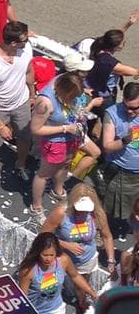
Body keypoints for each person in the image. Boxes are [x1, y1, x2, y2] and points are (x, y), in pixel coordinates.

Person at [30, 72, 102, 222]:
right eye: (71, 97)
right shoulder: (45, 102)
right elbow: (36, 129)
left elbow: (73, 108)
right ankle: (36, 206)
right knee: (44, 173)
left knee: (65, 165)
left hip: (72, 137)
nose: (73, 100)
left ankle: (58, 190)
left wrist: (81, 115)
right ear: (63, 90)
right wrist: (65, 128)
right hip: (55, 141)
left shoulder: (67, 84)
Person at [0, 21, 34, 177]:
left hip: (21, 103)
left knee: (25, 136)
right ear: (14, 43)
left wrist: (32, 93)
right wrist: (0, 125)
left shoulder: (26, 49)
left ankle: (20, 163)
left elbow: (29, 71)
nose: (28, 41)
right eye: (25, 39)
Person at [41, 183, 117, 280]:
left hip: (86, 260)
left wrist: (111, 261)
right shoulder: (61, 213)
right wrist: (65, 244)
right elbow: (43, 235)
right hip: (61, 258)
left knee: (81, 288)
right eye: (79, 210)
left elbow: (107, 237)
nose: (83, 213)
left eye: (87, 211)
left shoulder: (97, 214)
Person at [18, 233, 98, 314]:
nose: (48, 259)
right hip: (36, 311)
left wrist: (92, 292)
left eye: (51, 255)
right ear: (38, 253)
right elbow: (23, 296)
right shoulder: (28, 270)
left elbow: (75, 276)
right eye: (45, 255)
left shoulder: (64, 260)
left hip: (57, 309)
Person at [102, 81, 139, 226]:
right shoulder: (112, 114)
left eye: (134, 108)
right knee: (108, 206)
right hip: (119, 171)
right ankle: (101, 230)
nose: (129, 111)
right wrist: (125, 140)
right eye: (126, 106)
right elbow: (107, 146)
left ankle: (133, 231)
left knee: (135, 208)